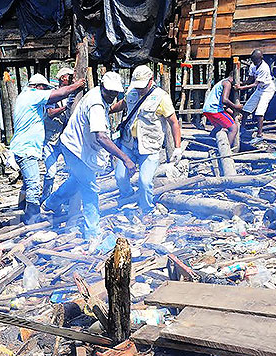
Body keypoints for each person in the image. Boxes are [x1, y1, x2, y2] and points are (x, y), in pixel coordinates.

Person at [42, 72, 137, 239]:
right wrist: (126, 158)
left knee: (77, 181)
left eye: (115, 94)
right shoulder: (96, 105)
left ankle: (50, 204)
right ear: (102, 87)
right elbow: (101, 137)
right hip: (74, 149)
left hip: (79, 147)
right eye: (109, 93)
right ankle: (92, 232)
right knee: (90, 188)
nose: (111, 97)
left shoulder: (97, 94)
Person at [8, 73, 85, 224]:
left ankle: (22, 206)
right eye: (44, 89)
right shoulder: (32, 95)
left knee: (27, 182)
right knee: (33, 184)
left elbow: (49, 109)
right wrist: (76, 86)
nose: (45, 92)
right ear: (37, 87)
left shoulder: (26, 98)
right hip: (26, 148)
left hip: (23, 147)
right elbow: (57, 94)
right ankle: (32, 218)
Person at [110, 65, 183, 216]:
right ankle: (128, 197)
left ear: (151, 81)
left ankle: (146, 209)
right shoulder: (131, 92)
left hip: (149, 146)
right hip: (129, 143)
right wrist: (107, 109)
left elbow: (174, 122)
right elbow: (122, 104)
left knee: (144, 181)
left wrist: (177, 147)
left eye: (142, 86)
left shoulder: (161, 97)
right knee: (120, 176)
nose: (139, 89)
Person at [42, 67, 75, 202]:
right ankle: (45, 197)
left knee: (72, 171)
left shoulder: (73, 94)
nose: (72, 79)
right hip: (51, 140)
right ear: (63, 78)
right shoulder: (52, 94)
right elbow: (50, 113)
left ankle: (66, 199)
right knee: (50, 173)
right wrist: (65, 108)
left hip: (66, 140)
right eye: (70, 76)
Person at [238, 49, 276, 144]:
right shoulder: (253, 66)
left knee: (259, 112)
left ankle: (259, 135)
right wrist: (242, 83)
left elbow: (255, 84)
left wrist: (241, 88)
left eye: (255, 60)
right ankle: (242, 129)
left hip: (267, 89)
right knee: (246, 109)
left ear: (261, 58)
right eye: (253, 60)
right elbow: (250, 80)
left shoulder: (264, 68)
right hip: (259, 89)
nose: (254, 62)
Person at [202, 71, 243, 147]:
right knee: (233, 128)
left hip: (207, 109)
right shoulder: (227, 83)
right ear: (234, 78)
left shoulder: (222, 82)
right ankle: (227, 150)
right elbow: (224, 100)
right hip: (214, 110)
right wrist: (236, 106)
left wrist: (233, 112)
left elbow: (223, 105)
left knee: (219, 127)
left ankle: (208, 143)